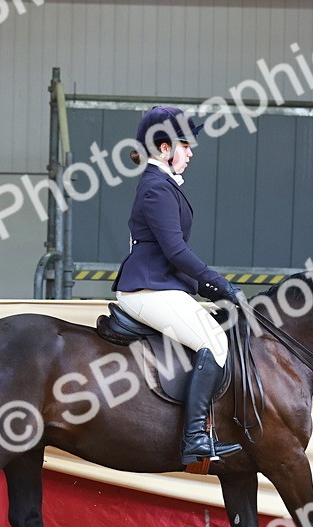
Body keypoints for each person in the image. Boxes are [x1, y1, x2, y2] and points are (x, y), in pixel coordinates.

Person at [113, 105, 243, 465]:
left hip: (161, 284)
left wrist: (204, 288)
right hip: (146, 288)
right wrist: (219, 283)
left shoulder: (163, 185)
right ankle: (194, 438)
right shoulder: (157, 188)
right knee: (214, 342)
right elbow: (175, 251)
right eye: (185, 146)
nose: (190, 153)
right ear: (165, 148)